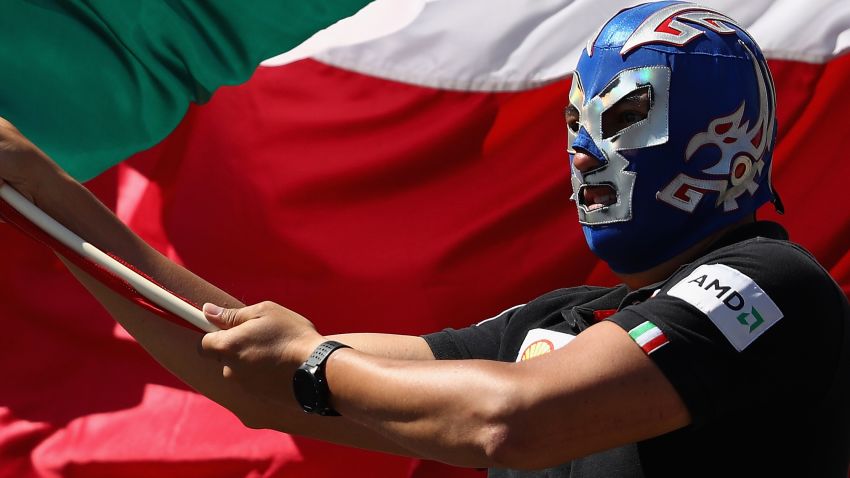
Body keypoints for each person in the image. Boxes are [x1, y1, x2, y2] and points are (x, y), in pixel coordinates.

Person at [0, 1, 848, 476]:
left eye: (624, 113)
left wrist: (311, 364)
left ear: (732, 132)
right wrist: (40, 193)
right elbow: (248, 373)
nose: (589, 148)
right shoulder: (565, 323)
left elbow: (513, 422)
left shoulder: (775, 285)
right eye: (577, 122)